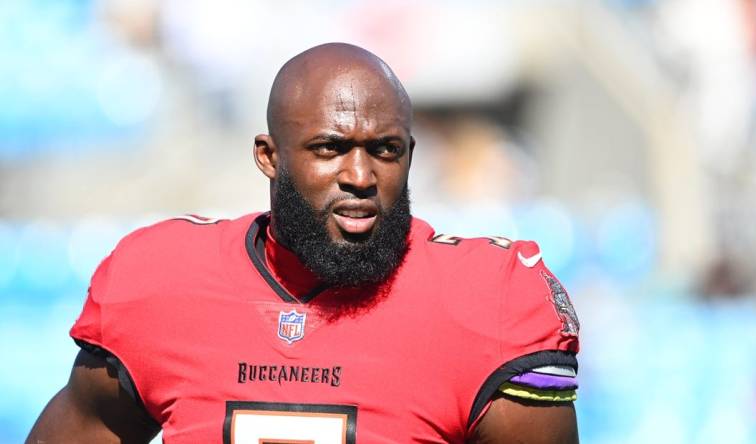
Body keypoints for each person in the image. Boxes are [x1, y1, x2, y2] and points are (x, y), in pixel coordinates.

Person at [27, 43, 580, 443]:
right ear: (269, 156)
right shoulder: (163, 281)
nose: (361, 174)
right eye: (330, 148)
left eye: (386, 150)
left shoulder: (489, 301)